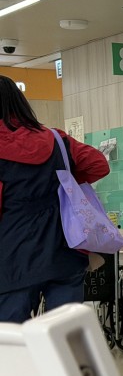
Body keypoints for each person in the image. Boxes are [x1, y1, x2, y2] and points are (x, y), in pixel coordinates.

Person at [0, 75, 110, 322]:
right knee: (64, 336)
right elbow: (98, 164)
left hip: (12, 255)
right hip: (65, 248)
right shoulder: (57, 139)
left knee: (9, 339)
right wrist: (63, 180)